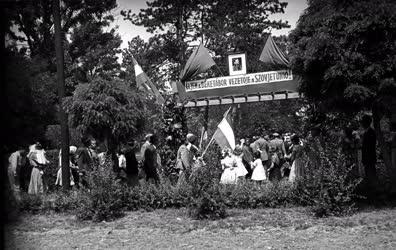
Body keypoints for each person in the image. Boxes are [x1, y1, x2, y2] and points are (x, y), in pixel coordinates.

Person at [360, 114, 377, 187]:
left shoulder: (371, 132)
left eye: (363, 122)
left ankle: (375, 188)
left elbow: (370, 147)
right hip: (367, 158)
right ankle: (371, 187)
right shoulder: (366, 132)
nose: (361, 124)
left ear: (366, 123)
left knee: (372, 173)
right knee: (368, 173)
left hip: (370, 157)